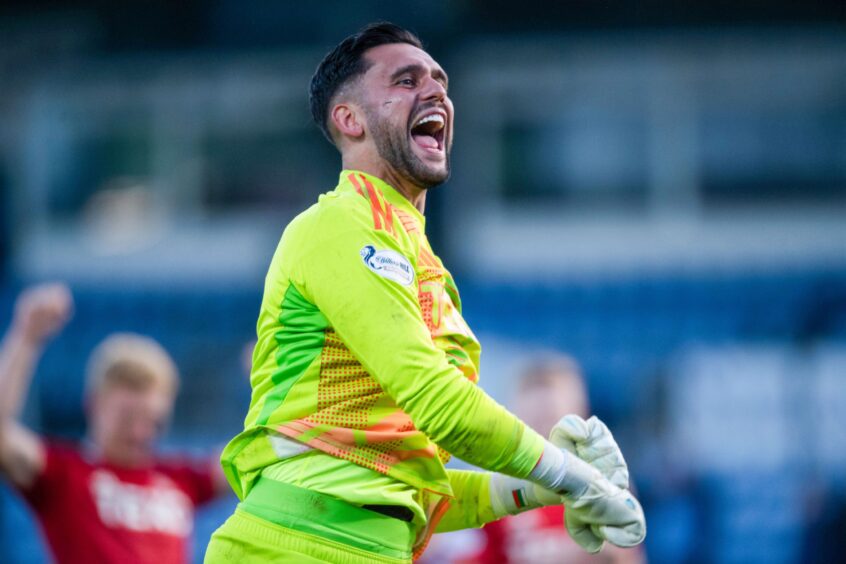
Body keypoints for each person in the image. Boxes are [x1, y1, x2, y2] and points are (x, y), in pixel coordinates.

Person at [206, 22, 646, 564]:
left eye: (439, 79)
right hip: (295, 545)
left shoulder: (426, 266)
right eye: (406, 81)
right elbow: (441, 403)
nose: (436, 90)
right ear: (350, 120)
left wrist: (540, 490)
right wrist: (572, 474)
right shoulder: (336, 225)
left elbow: (416, 489)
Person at [0, 283, 230, 564]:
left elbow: (256, 456)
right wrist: (25, 336)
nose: (140, 432)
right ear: (93, 404)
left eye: (153, 421)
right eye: (127, 418)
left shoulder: (180, 478)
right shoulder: (63, 474)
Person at [471, 356, 646, 564]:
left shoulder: (604, 477)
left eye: (552, 418)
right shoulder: (495, 484)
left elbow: (625, 554)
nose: (545, 432)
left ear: (580, 413)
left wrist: (554, 552)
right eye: (535, 421)